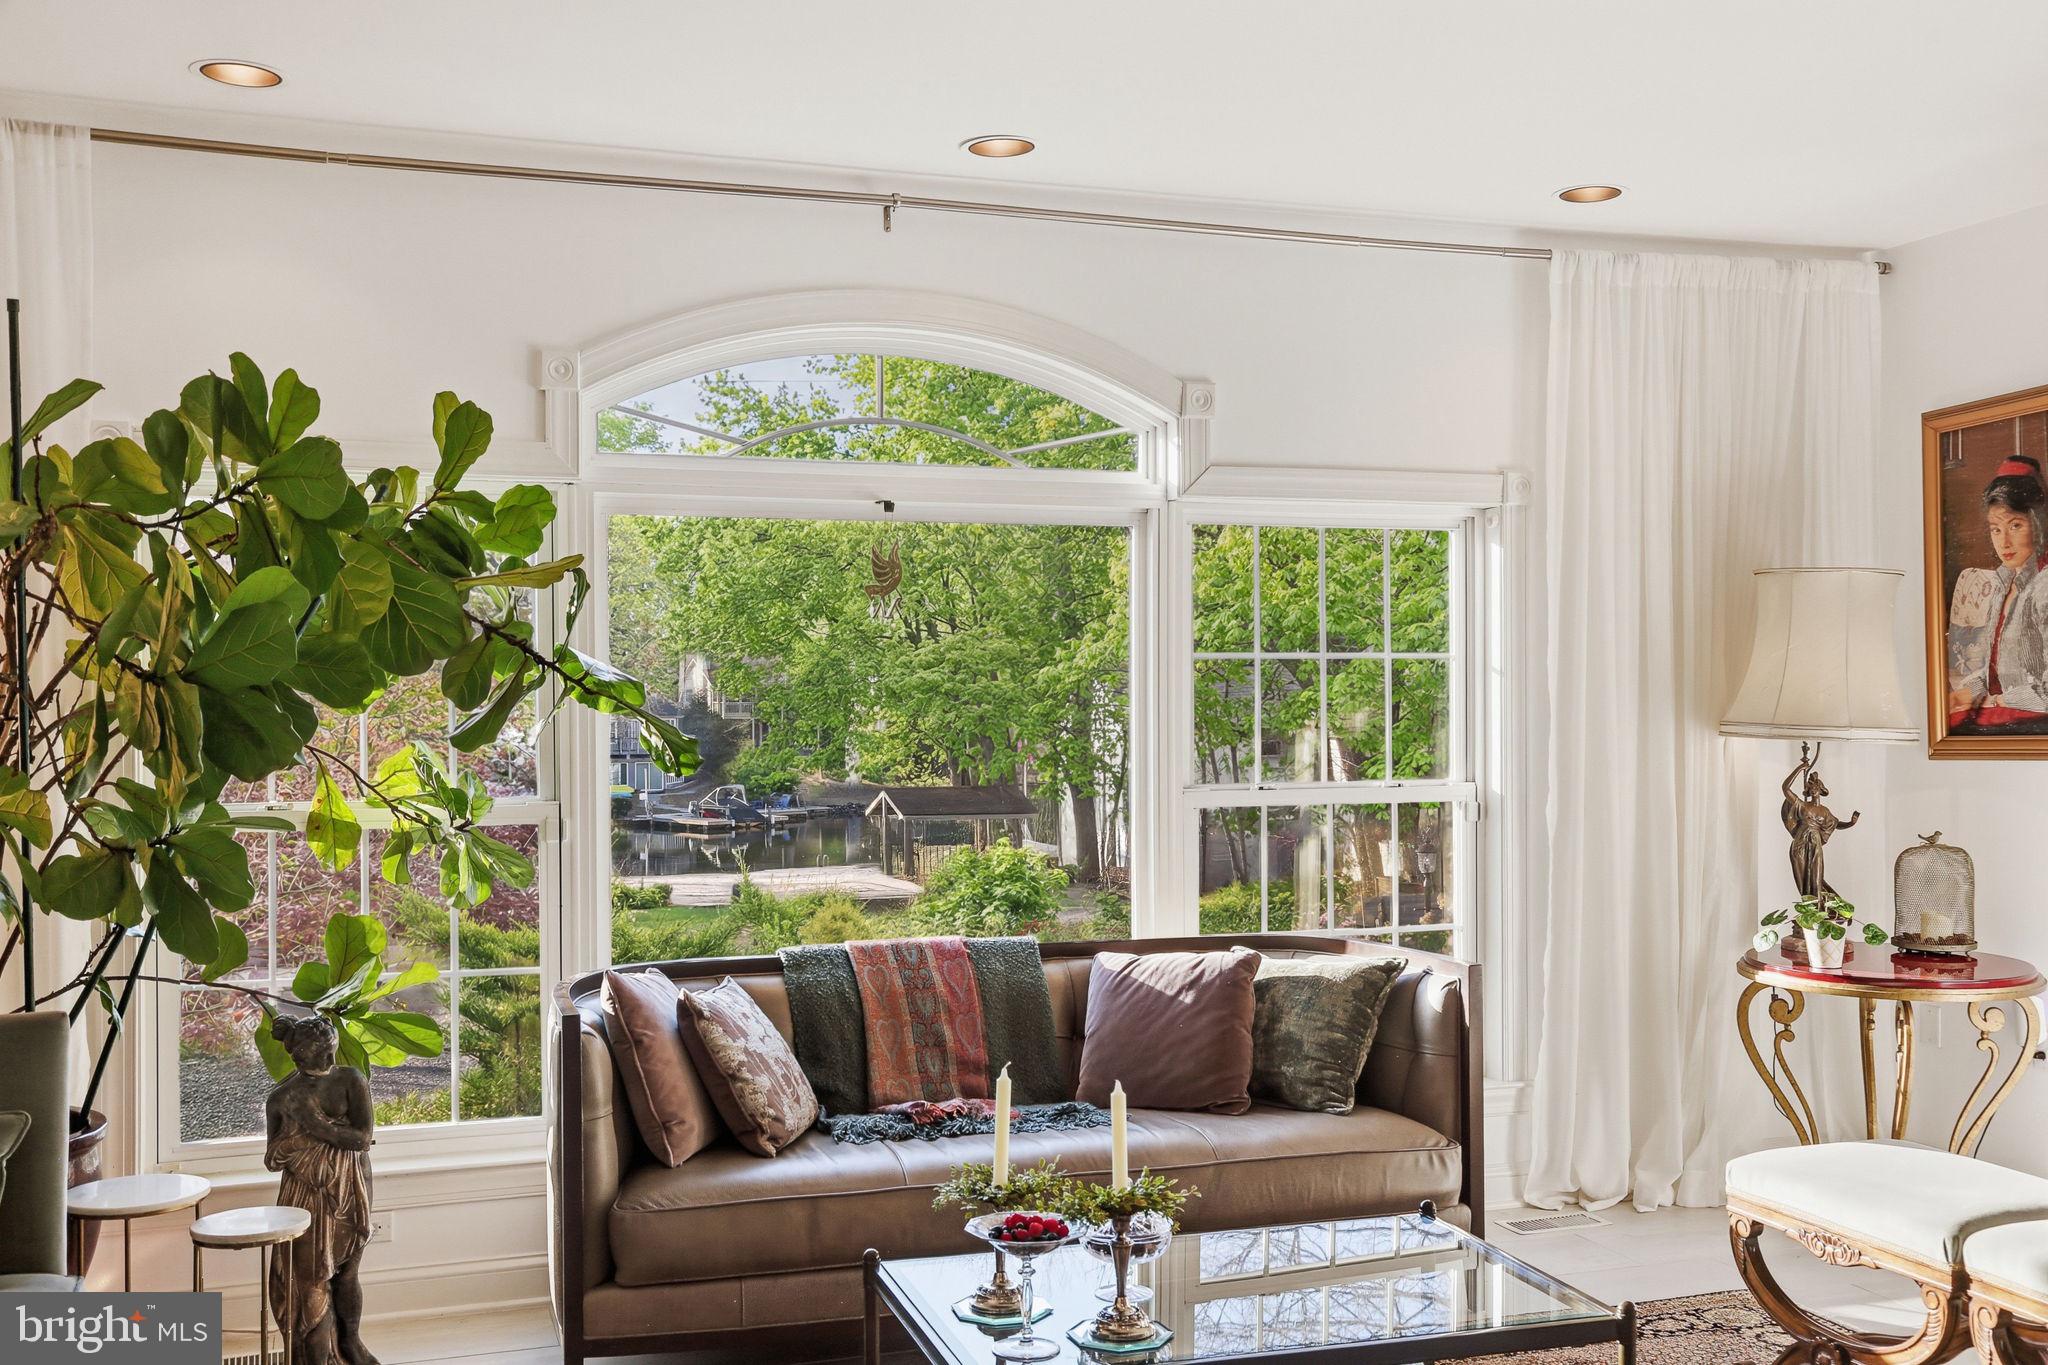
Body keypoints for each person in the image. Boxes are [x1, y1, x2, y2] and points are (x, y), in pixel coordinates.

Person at [265, 1013, 379, 1365]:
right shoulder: (282, 1097)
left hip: (354, 1184)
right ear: (300, 1056)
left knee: (348, 1272)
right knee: (310, 1280)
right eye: (322, 1054)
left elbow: (361, 1139)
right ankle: (314, 1355)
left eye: (331, 1051)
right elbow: (272, 1158)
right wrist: (301, 1142)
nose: (330, 1059)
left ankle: (351, 1344)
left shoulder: (350, 1080)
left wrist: (314, 1122)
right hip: (305, 1194)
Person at [1949, 455, 2048, 729]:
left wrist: (1999, 701)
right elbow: (1992, 669)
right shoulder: (2003, 584)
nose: (2003, 541)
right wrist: (1970, 691)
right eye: (1996, 529)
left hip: (2034, 718)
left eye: (2015, 525)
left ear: (2037, 524)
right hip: (2004, 710)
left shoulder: (2044, 586)